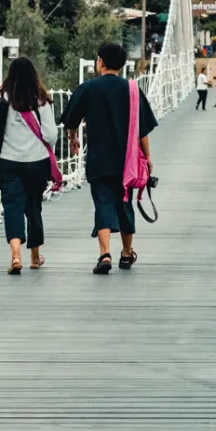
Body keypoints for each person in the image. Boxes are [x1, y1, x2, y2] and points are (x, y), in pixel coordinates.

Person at [61, 43, 157, 275]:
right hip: (127, 161)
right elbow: (142, 130)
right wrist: (148, 157)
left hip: (98, 158)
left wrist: (72, 137)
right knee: (125, 203)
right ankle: (126, 253)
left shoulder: (88, 88)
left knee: (103, 204)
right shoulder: (133, 89)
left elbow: (71, 119)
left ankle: (105, 254)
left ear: (100, 61)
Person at [0, 57, 58, 275]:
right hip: (37, 162)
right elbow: (50, 134)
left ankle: (15, 256)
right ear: (34, 76)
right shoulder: (41, 102)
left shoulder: (0, 102)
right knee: (33, 207)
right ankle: (34, 256)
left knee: (12, 207)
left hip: (8, 163)